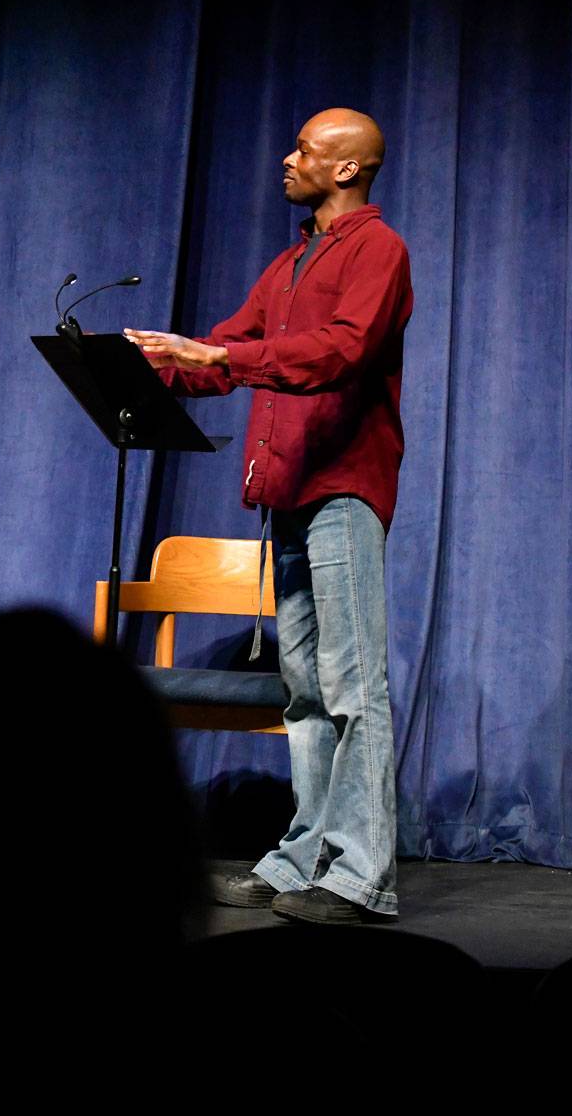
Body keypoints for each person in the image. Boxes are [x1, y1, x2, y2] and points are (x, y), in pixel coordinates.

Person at [125, 108, 411, 924]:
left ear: (348, 169)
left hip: (344, 487)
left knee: (354, 685)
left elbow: (341, 350)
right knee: (304, 692)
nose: (288, 160)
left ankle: (362, 876)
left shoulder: (378, 251)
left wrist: (222, 355)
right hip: (286, 486)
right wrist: (153, 364)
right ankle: (307, 856)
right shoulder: (293, 259)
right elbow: (230, 353)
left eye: (306, 151)